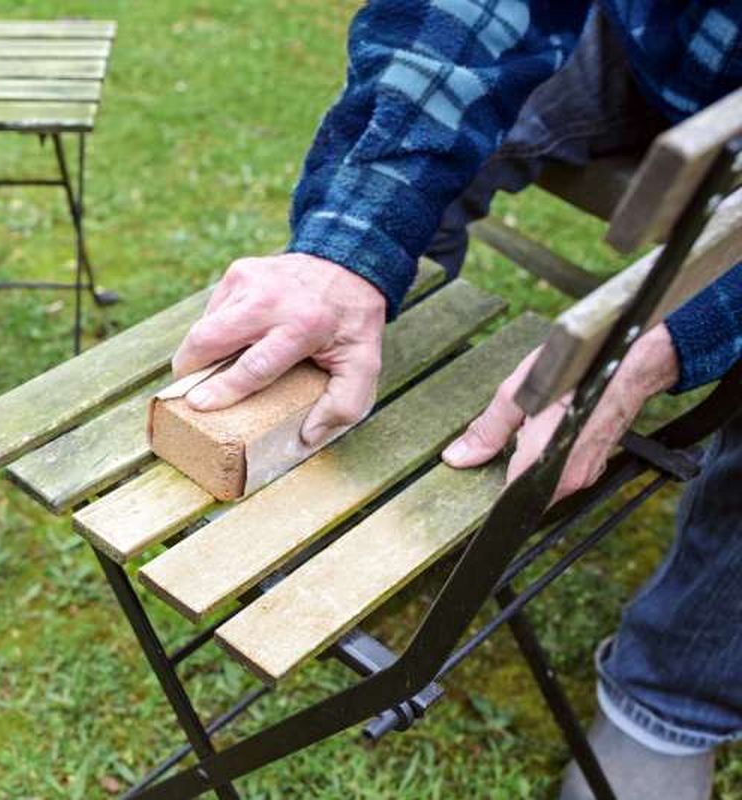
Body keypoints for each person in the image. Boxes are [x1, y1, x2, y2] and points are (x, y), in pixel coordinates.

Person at [170, 3, 742, 798]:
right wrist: (351, 246)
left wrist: (661, 345)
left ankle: (671, 704)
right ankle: (367, 483)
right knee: (419, 158)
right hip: (652, 39)